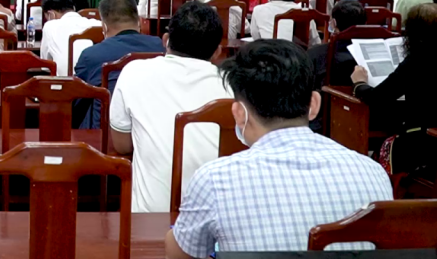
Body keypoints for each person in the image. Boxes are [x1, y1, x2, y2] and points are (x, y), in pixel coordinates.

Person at [167, 40, 392, 258]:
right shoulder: (373, 172)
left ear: (239, 114)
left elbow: (180, 254)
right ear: (314, 104)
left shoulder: (215, 179)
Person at [109, 1, 233, 213]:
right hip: (216, 219)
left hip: (150, 218)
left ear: (165, 40)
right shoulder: (232, 85)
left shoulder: (133, 72)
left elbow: (122, 146)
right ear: (217, 52)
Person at [352, 3, 437, 176]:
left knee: (384, 148)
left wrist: (359, 83)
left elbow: (377, 98)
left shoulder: (417, 61)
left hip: (425, 143)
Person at [74, 0, 165, 129]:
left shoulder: (91, 55)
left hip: (104, 132)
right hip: (152, 128)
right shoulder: (160, 47)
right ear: (139, 21)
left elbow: (77, 98)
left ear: (104, 27)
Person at [39, 0, 101, 77]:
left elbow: (46, 66)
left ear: (51, 15)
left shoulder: (50, 26)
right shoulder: (97, 24)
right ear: (74, 8)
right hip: (95, 81)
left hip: (66, 83)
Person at [307, 0, 366, 90]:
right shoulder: (374, 52)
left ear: (334, 23)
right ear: (364, 24)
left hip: (326, 97)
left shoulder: (315, 54)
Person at [249, 0, 320, 46]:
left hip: (267, 51)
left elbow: (256, 37)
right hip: (296, 52)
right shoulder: (304, 12)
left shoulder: (258, 10)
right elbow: (315, 41)